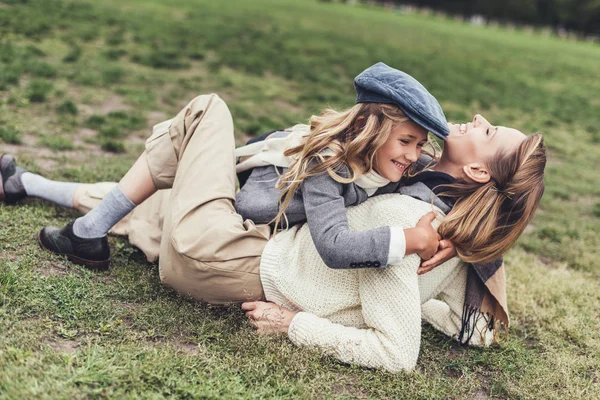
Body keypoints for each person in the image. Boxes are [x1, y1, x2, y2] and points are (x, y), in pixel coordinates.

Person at [0, 66, 546, 372]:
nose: (479, 118)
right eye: (405, 141)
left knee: (203, 112)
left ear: (477, 168)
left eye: (490, 130)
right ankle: (26, 184)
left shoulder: (422, 213)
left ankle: (87, 234)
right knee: (145, 199)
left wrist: (424, 240)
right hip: (258, 233)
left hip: (252, 243)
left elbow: (353, 251)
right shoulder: (416, 166)